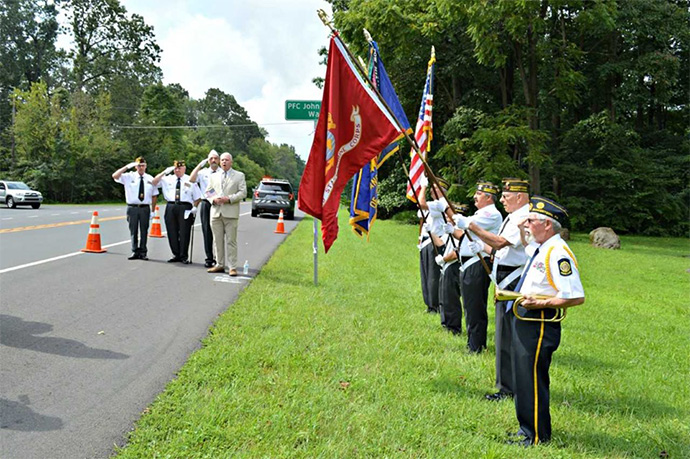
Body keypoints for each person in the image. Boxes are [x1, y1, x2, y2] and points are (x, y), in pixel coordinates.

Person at [507, 196, 585, 446]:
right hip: (527, 317)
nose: (527, 223)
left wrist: (540, 303)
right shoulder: (543, 247)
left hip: (539, 321)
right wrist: (523, 230)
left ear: (548, 225)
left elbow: (575, 296)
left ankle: (537, 436)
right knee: (522, 376)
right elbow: (527, 246)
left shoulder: (558, 252)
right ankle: (526, 428)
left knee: (531, 378)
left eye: (531, 220)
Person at [460, 178, 530, 401]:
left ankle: (509, 389)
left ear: (519, 197)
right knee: (503, 336)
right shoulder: (513, 215)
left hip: (513, 280)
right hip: (503, 278)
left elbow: (501, 243)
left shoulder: (524, 216)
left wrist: (472, 226)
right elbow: (498, 249)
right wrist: (482, 246)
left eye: (506, 196)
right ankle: (506, 386)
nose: (502, 199)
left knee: (509, 336)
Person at [452, 181, 503, 353]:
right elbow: (461, 228)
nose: (475, 196)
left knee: (475, 305)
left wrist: (446, 208)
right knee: (469, 304)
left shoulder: (491, 214)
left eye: (479, 194)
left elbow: (465, 222)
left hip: (478, 262)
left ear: (489, 197)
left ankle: (476, 346)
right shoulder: (482, 212)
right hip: (469, 262)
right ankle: (472, 341)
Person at [152, 160, 201, 264]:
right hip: (171, 206)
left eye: (180, 168)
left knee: (184, 232)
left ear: (184, 168)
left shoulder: (190, 179)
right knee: (172, 231)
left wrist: (195, 207)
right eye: (175, 168)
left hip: (185, 206)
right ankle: (175, 254)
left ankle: (183, 256)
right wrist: (164, 172)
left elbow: (197, 197)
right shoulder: (167, 178)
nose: (177, 170)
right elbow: (154, 182)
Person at [206, 152, 247, 276]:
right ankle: (219, 264)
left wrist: (229, 199)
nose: (224, 162)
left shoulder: (239, 176)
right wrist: (214, 199)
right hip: (216, 212)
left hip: (230, 213)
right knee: (216, 240)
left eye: (226, 160)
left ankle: (232, 266)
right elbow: (208, 191)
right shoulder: (213, 176)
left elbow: (243, 193)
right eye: (222, 160)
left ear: (231, 162)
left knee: (231, 241)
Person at [431, 202, 468, 335]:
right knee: (444, 296)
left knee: (451, 298)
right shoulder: (449, 229)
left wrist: (443, 259)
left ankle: (453, 327)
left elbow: (457, 252)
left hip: (453, 266)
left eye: (449, 216)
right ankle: (446, 323)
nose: (447, 218)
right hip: (446, 266)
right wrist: (431, 232)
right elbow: (442, 243)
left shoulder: (460, 231)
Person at [112, 156, 158, 260]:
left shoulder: (150, 178)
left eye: (143, 166)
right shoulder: (129, 176)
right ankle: (134, 251)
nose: (141, 168)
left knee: (144, 231)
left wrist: (153, 210)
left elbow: (154, 195)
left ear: (146, 166)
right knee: (133, 230)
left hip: (145, 208)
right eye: (138, 166)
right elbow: (115, 176)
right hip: (132, 207)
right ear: (135, 167)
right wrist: (126, 167)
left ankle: (143, 252)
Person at [417, 176, 451, 314]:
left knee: (433, 276)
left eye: (435, 188)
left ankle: (435, 305)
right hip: (426, 240)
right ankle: (429, 304)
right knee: (425, 274)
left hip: (435, 242)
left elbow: (421, 203)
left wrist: (422, 187)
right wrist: (419, 239)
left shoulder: (441, 204)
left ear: (442, 191)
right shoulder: (433, 203)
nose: (431, 190)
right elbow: (421, 220)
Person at [189, 150, 221, 268]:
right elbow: (192, 179)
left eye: (215, 158)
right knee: (206, 231)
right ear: (208, 160)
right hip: (206, 203)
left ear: (219, 160)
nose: (213, 160)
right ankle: (209, 257)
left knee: (218, 231)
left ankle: (219, 258)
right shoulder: (202, 172)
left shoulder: (222, 172)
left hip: (218, 203)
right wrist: (199, 165)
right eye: (211, 158)